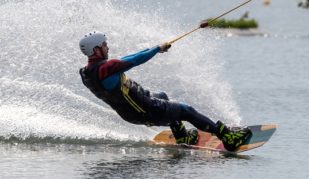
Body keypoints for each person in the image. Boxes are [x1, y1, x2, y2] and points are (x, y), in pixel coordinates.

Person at [79, 31, 251, 151]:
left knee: (162, 96)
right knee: (186, 110)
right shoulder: (107, 68)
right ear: (96, 50)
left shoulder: (87, 73)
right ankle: (228, 138)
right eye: (104, 45)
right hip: (146, 109)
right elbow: (134, 59)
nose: (107, 48)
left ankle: (182, 136)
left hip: (131, 112)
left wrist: (155, 47)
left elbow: (124, 60)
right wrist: (157, 49)